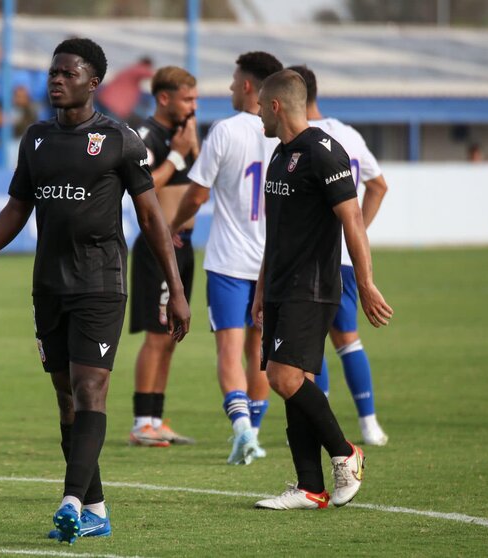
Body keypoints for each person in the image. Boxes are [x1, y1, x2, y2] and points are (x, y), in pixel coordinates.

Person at [0, 38, 190, 544]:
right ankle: (96, 508)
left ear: (92, 82)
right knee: (66, 399)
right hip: (48, 286)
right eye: (52, 72)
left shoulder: (121, 140)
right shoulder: (35, 139)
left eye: (67, 73)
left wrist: (177, 287)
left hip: (101, 283)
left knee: (90, 388)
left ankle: (71, 501)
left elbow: (151, 218)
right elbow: (17, 209)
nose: (56, 79)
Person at [252, 70, 393, 510]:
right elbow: (276, 232)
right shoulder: (279, 155)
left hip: (311, 286)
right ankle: (309, 487)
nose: (257, 112)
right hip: (279, 284)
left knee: (283, 377)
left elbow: (352, 219)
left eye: (260, 105)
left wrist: (365, 283)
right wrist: (260, 287)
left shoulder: (323, 153)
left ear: (276, 105)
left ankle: (346, 453)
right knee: (298, 380)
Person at [168, 52, 283, 465]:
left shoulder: (225, 130)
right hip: (273, 262)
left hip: (230, 262)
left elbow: (197, 194)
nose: (232, 88)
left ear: (250, 86)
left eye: (235, 82)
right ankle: (253, 432)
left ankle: (243, 433)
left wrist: (171, 226)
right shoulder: (285, 132)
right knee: (261, 352)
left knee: (229, 352)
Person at [288, 65, 390, 446]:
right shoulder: (348, 133)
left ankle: (320, 422)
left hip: (309, 258)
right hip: (345, 259)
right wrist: (355, 231)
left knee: (312, 342)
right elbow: (378, 185)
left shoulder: (296, 137)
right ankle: (369, 423)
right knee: (348, 339)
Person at [128, 66, 199, 447]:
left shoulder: (181, 134)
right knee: (156, 337)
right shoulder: (146, 136)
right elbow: (144, 184)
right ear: (164, 98)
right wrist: (177, 154)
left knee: (171, 336)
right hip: (159, 247)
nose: (194, 105)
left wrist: (190, 144)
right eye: (188, 98)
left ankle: (156, 417)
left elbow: (201, 177)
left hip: (184, 245)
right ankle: (142, 422)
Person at [95, 56, 154, 126]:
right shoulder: (137, 69)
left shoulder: (129, 71)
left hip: (106, 100)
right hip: (114, 105)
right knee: (112, 129)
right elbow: (147, 72)